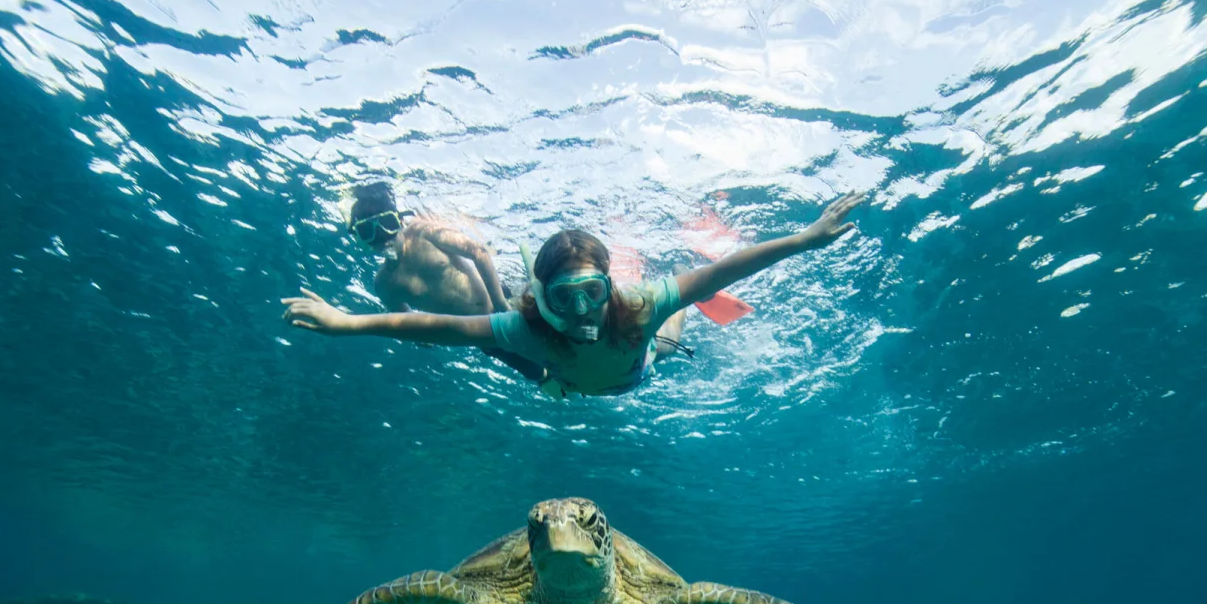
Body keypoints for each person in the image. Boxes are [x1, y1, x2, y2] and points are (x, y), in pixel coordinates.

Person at [283, 191, 867, 397]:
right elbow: (430, 327)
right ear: (541, 297)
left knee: (672, 321)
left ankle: (675, 287)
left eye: (592, 292)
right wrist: (345, 322)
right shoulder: (522, 329)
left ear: (609, 286)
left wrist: (806, 239)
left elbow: (730, 269)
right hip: (575, 379)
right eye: (566, 298)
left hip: (641, 364)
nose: (583, 309)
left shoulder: (635, 305)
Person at [344, 180, 545, 381]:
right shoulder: (384, 285)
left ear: (399, 220)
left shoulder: (424, 232)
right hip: (480, 336)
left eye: (387, 224)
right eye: (367, 232)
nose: (381, 236)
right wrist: (424, 339)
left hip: (505, 301)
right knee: (539, 374)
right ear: (361, 240)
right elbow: (407, 323)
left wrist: (501, 303)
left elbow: (479, 253)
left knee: (552, 340)